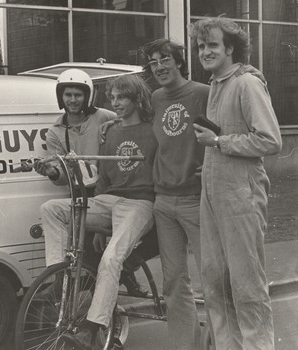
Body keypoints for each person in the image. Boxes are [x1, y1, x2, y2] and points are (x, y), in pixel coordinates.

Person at [41, 74, 157, 350]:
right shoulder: (110, 130)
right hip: (107, 199)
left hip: (140, 203)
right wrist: (94, 225)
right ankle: (58, 277)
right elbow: (102, 180)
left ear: (137, 98)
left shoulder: (151, 130)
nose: (115, 103)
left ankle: (92, 329)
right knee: (52, 209)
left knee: (110, 259)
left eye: (122, 98)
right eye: (113, 98)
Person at [190, 17, 282, 350]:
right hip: (214, 195)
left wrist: (219, 143)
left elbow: (270, 141)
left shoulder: (246, 83)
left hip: (242, 196)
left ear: (230, 48)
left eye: (213, 45)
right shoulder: (216, 83)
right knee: (214, 284)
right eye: (201, 46)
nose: (205, 51)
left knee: (247, 286)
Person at [140, 38, 210, 350]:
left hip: (196, 199)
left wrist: (209, 168)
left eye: (165, 59)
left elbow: (221, 134)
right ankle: (187, 346)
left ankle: (220, 341)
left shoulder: (201, 93)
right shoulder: (155, 98)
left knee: (213, 278)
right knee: (174, 282)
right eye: (153, 62)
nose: (159, 67)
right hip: (163, 201)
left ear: (179, 62)